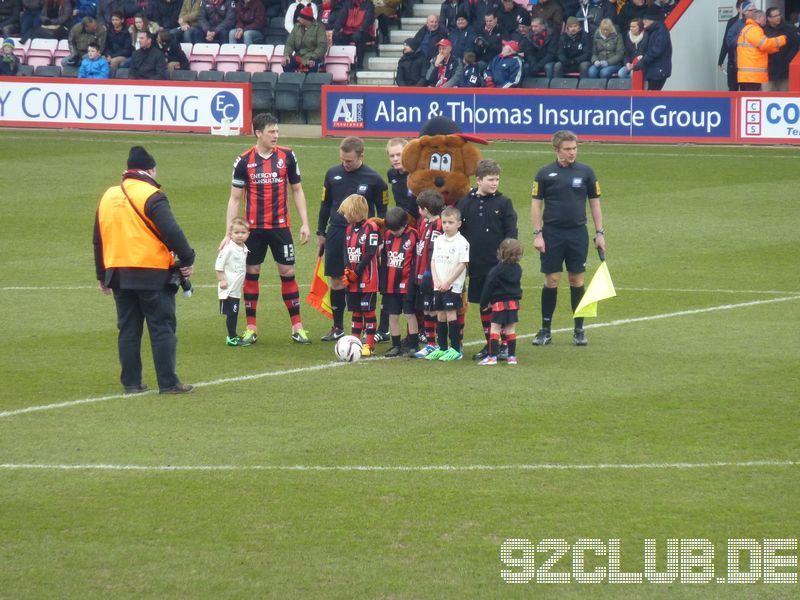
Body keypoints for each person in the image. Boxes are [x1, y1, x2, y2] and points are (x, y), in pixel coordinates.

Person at [93, 145, 195, 394]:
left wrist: (101, 275)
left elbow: (98, 239)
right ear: (150, 170)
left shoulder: (108, 195)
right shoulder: (151, 195)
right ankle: (168, 382)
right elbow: (171, 231)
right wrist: (187, 257)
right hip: (150, 272)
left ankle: (131, 382)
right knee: (161, 327)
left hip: (118, 272)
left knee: (128, 329)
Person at [222, 113, 312, 346]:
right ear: (258, 133)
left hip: (281, 227)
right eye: (271, 131)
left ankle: (298, 327)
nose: (276, 135)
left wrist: (305, 222)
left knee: (288, 272)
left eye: (277, 131)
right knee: (251, 273)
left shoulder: (288, 156)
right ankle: (251, 328)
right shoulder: (243, 161)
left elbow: (297, 190)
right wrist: (227, 234)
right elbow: (234, 199)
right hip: (254, 231)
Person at [530, 130, 605, 347]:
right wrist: (537, 234)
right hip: (552, 233)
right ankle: (545, 330)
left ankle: (579, 330)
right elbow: (536, 204)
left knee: (577, 280)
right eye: (567, 149)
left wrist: (600, 233)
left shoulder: (587, 172)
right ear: (556, 150)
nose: (572, 153)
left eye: (574, 148)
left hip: (577, 233)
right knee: (551, 280)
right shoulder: (544, 173)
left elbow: (595, 203)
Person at [317, 136, 388, 341]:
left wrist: (380, 237)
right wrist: (321, 233)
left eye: (349, 160)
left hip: (364, 236)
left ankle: (370, 329)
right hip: (337, 232)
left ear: (360, 156)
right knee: (337, 278)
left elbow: (383, 212)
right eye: (342, 160)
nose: (345, 164)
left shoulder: (375, 179)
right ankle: (338, 326)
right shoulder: (332, 174)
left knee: (365, 280)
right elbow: (325, 205)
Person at [456, 158, 517, 360]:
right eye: (491, 179)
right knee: (484, 305)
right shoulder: (465, 203)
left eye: (497, 179)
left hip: (498, 266)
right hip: (476, 265)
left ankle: (506, 345)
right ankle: (491, 344)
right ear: (479, 179)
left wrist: (507, 260)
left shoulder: (504, 203)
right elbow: (459, 235)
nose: (495, 183)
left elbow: (511, 233)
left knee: (502, 307)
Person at [423, 205, 469, 362]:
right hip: (438, 284)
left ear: (459, 224)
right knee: (440, 314)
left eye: (450, 222)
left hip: (452, 286)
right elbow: (433, 261)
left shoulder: (462, 242)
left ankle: (455, 349)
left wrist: (448, 282)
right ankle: (442, 348)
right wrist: (436, 280)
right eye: (444, 222)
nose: (447, 225)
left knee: (451, 314)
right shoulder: (439, 240)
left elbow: (462, 264)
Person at [339, 194, 381, 356]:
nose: (344, 215)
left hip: (368, 278)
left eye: (346, 212)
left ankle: (369, 345)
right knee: (356, 311)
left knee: (368, 312)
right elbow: (345, 250)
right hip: (352, 279)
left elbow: (370, 253)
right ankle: (355, 342)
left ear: (354, 211)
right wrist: (347, 270)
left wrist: (356, 272)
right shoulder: (349, 228)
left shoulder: (372, 227)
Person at [379, 206, 420, 357]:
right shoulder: (388, 235)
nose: (395, 233)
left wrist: (413, 283)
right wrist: (382, 284)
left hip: (407, 284)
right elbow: (384, 260)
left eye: (397, 229)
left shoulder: (413, 235)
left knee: (409, 314)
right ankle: (395, 345)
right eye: (392, 229)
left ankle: (414, 345)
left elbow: (416, 261)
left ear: (405, 224)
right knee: (392, 315)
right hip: (390, 285)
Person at [477, 238, 522, 366]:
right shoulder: (518, 269)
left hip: (499, 305)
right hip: (513, 304)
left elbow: (488, 288)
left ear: (501, 252)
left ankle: (492, 357)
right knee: (511, 330)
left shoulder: (496, 271)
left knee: (495, 330)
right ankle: (512, 357)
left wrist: (483, 303)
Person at [412, 189, 445, 358]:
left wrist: (429, 274)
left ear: (425, 209)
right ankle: (431, 344)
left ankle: (438, 343)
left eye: (420, 208)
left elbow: (435, 252)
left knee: (434, 311)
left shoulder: (439, 225)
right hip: (422, 274)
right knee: (426, 309)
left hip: (432, 276)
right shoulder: (424, 223)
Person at [215, 217, 250, 346]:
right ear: (230, 234)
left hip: (236, 289)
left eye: (243, 233)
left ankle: (233, 335)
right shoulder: (228, 248)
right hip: (228, 288)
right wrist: (222, 280)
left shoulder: (244, 248)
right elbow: (218, 265)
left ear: (248, 234)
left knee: (234, 313)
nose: (240, 236)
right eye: (236, 233)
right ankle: (231, 337)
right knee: (232, 313)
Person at [736, 8, 786, 92]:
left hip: (748, 75)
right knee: (753, 100)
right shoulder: (754, 30)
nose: (765, 22)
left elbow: (761, 48)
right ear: (758, 19)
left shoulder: (748, 29)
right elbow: (765, 44)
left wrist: (775, 49)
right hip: (752, 76)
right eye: (764, 20)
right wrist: (782, 39)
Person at [633, 9, 672, 90]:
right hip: (653, 69)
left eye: (646, 20)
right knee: (652, 94)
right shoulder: (650, 31)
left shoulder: (661, 31)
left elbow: (656, 51)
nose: (643, 21)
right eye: (643, 19)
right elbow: (644, 48)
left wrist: (642, 62)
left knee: (653, 94)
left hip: (659, 70)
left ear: (653, 21)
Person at [332, 0, 376, 70]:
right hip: (349, 32)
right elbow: (341, 18)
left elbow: (369, 20)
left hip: (364, 32)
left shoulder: (369, 4)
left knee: (358, 36)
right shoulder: (347, 3)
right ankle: (344, 63)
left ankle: (359, 64)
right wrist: (336, 29)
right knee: (337, 36)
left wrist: (361, 29)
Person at [283, 4, 327, 72]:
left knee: (313, 65)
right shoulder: (296, 27)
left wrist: (312, 57)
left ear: (306, 19)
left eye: (300, 17)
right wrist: (286, 55)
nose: (298, 19)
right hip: (299, 57)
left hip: (313, 57)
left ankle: (309, 82)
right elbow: (289, 43)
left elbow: (322, 47)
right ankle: (294, 81)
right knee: (286, 63)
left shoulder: (319, 28)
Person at [764, 6, 798, 92]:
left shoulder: (789, 28)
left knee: (784, 96)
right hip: (768, 70)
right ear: (768, 18)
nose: (778, 17)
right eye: (775, 16)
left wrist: (788, 60)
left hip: (785, 70)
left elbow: (795, 46)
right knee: (767, 96)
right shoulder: (763, 30)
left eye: (779, 15)